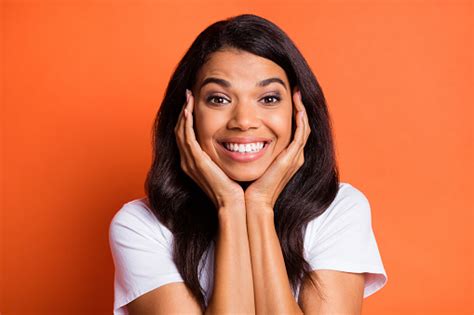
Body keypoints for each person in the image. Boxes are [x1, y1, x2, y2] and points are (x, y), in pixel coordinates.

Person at [109, 13, 387, 315]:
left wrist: (259, 206)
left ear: (299, 112)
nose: (243, 121)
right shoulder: (141, 227)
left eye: (268, 98)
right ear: (186, 114)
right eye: (219, 99)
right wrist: (230, 205)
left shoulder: (339, 210)